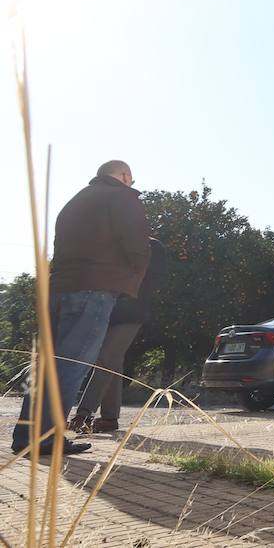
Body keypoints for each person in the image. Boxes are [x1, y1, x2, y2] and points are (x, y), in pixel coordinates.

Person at [12, 161, 151, 456]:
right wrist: (133, 278)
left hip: (58, 289)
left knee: (44, 366)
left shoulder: (75, 201)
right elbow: (138, 245)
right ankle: (48, 439)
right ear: (124, 176)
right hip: (93, 291)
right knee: (70, 367)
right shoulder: (123, 197)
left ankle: (26, 437)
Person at [70, 237, 170, 433]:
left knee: (106, 358)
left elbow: (151, 278)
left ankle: (83, 415)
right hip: (106, 310)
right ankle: (109, 418)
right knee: (113, 362)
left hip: (132, 311)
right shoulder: (113, 244)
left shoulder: (152, 246)